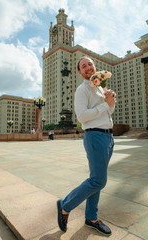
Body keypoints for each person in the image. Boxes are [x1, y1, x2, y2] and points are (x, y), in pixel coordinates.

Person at [57, 56, 116, 236]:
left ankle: (91, 217)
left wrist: (110, 100)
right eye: (84, 66)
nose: (88, 67)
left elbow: (108, 112)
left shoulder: (99, 87)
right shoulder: (81, 90)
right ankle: (65, 205)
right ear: (80, 72)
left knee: (96, 179)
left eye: (90, 64)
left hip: (107, 137)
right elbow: (82, 116)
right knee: (98, 181)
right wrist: (105, 106)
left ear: (94, 66)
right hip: (95, 136)